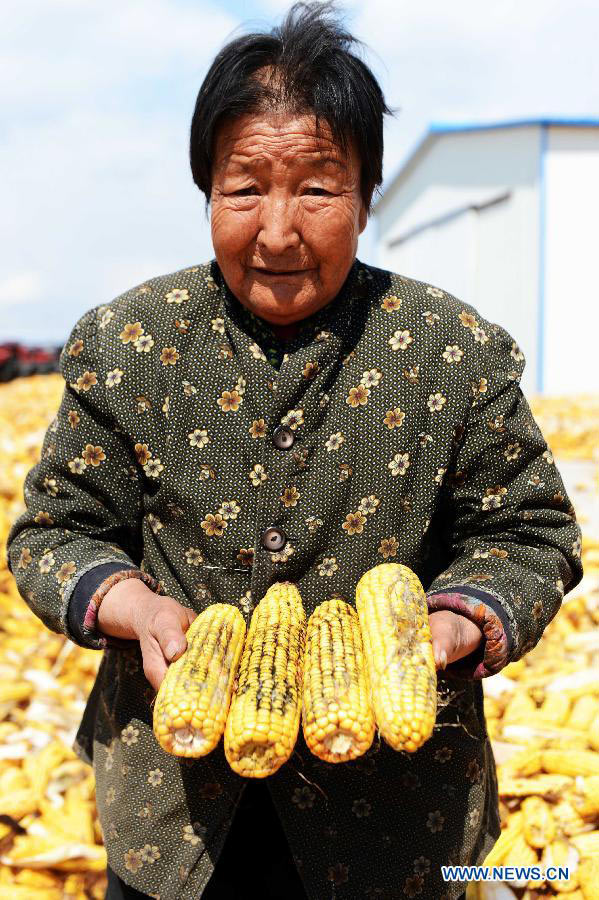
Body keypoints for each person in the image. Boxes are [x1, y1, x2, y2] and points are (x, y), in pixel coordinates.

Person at [5, 3, 583, 899]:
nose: (277, 230)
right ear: (206, 191)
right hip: (177, 815)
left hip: (396, 815)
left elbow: (531, 532)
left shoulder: (452, 351)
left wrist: (459, 619)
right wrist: (134, 609)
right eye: (244, 188)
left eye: (316, 188)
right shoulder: (126, 343)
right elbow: (52, 534)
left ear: (365, 194)